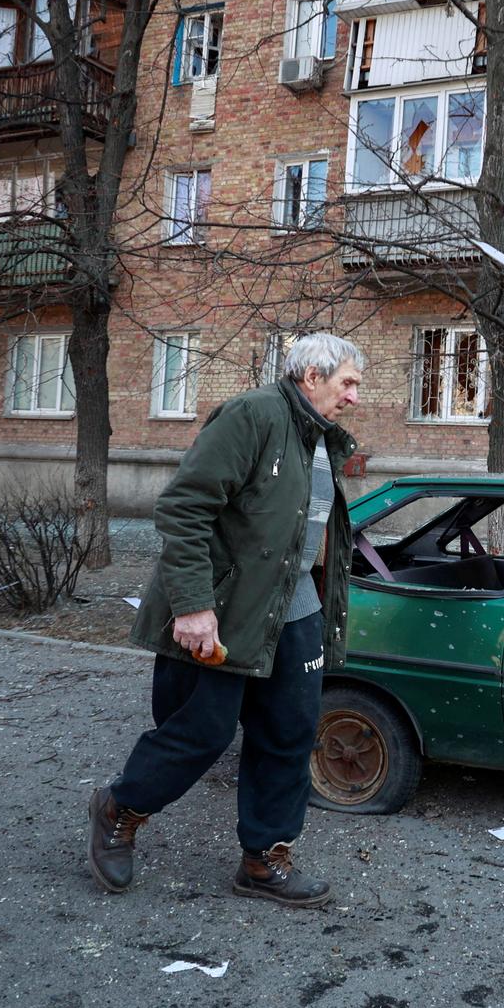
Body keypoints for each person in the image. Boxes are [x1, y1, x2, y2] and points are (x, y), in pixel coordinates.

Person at [86, 332, 364, 908]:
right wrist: (192, 605)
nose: (355, 397)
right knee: (200, 733)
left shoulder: (321, 437)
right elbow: (184, 507)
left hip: (296, 613)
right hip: (228, 612)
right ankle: (119, 810)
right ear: (311, 377)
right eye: (348, 383)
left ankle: (264, 860)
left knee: (289, 735)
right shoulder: (252, 415)